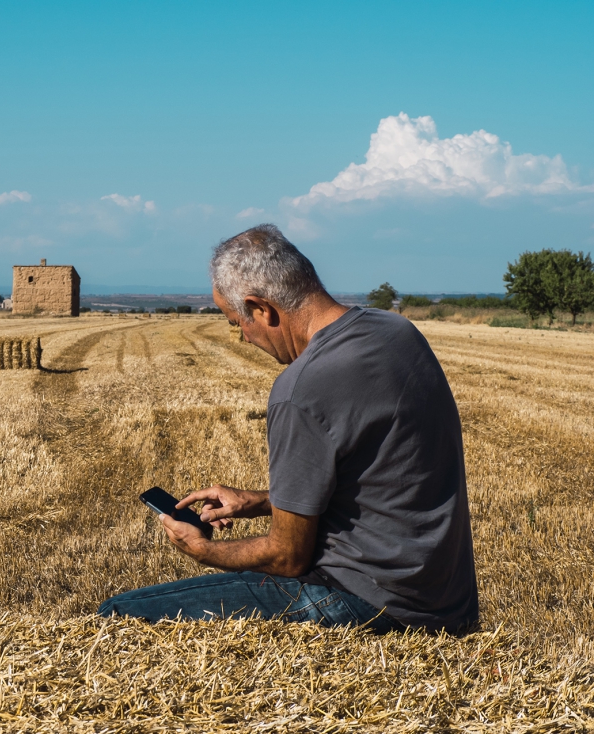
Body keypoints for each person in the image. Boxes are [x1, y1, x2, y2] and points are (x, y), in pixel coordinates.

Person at [98, 224, 478, 634]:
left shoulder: (301, 390)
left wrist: (203, 549)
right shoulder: (396, 331)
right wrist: (262, 501)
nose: (243, 339)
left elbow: (287, 557)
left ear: (261, 308)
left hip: (366, 602)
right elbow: (377, 482)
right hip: (444, 602)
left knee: (116, 614)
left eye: (236, 323)